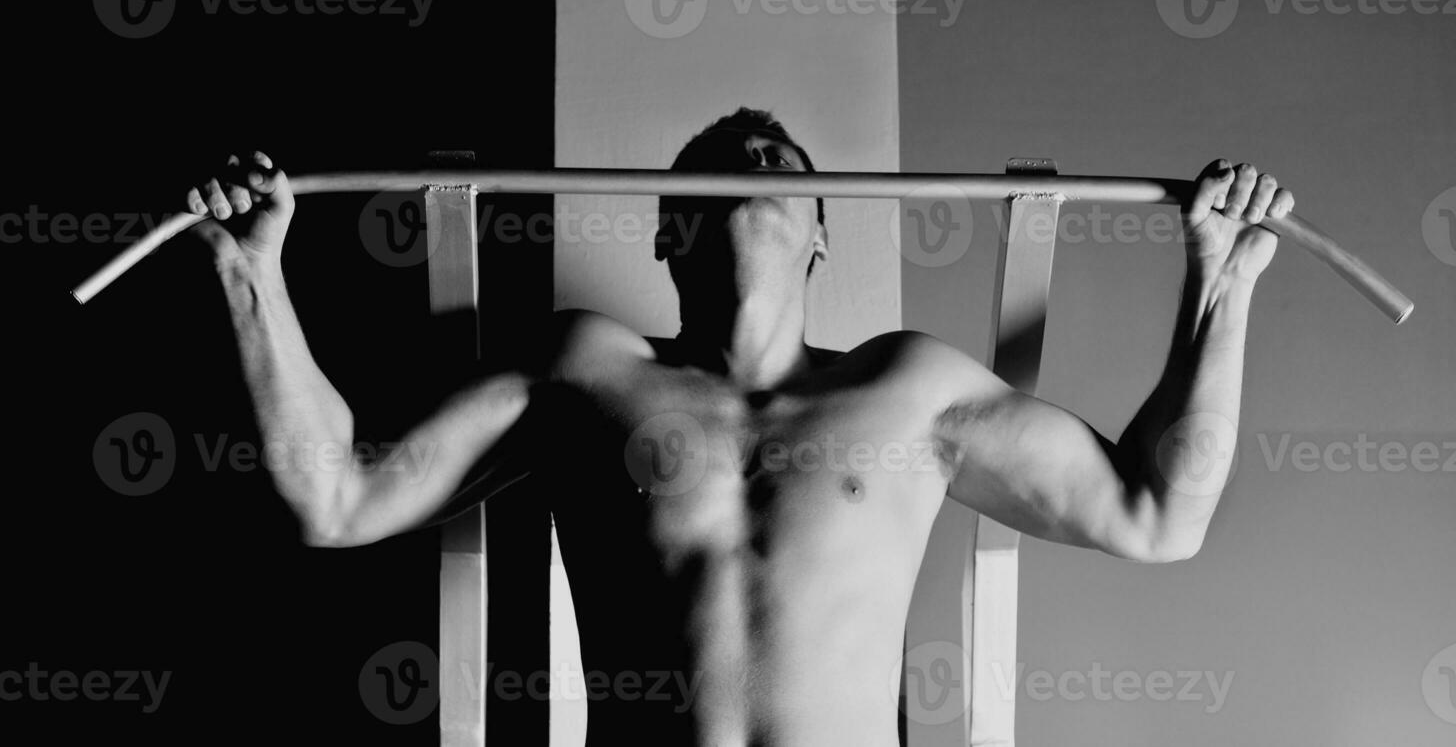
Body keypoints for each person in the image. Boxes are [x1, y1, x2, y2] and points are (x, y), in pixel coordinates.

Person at [185, 108, 1294, 746]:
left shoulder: (910, 389)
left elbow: (1163, 512)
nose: (755, 160)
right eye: (722, 163)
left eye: (782, 167)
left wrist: (1222, 281)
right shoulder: (584, 370)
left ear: (821, 233)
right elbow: (334, 495)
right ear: (668, 231)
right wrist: (254, 279)